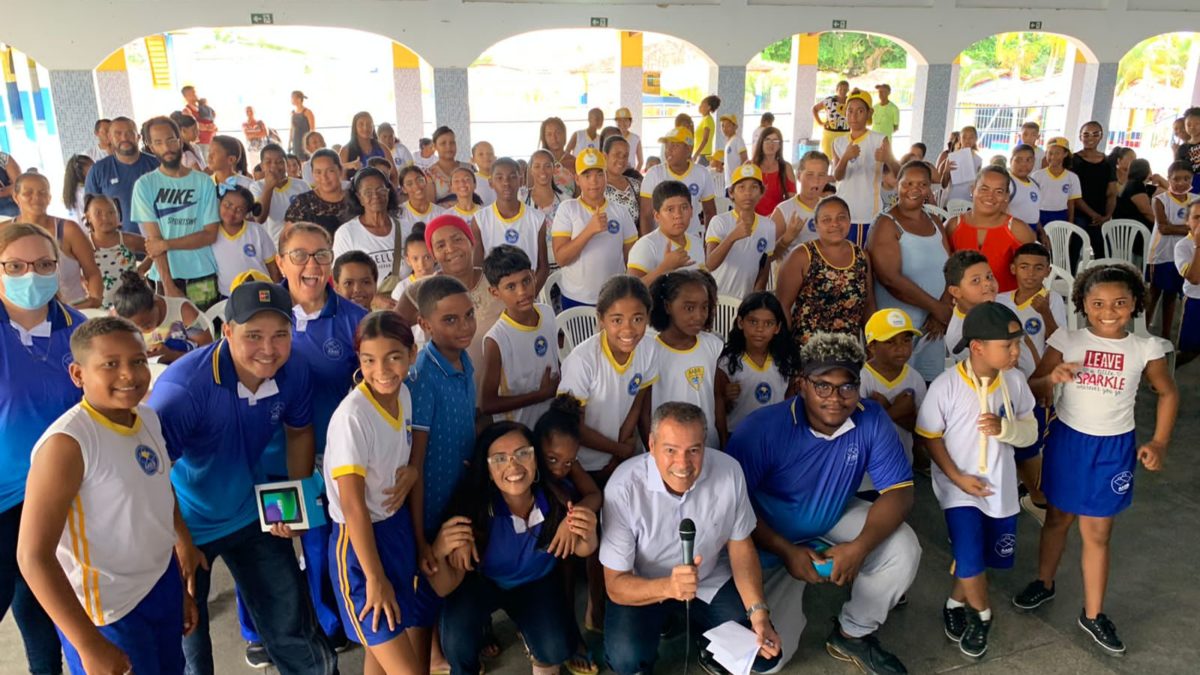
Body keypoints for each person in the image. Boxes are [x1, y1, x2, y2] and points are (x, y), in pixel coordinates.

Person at [147, 280, 337, 674]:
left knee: (291, 622)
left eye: (280, 335)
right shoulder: (183, 391)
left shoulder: (293, 370)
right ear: (227, 331)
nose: (268, 350)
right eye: (253, 336)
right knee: (189, 637)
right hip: (187, 522)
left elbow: (300, 431)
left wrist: (295, 502)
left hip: (251, 512)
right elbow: (150, 475)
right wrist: (179, 540)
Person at [725, 332, 918, 674]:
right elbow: (731, 508)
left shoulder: (871, 417)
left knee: (903, 546)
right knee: (765, 663)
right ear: (801, 384)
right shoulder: (762, 429)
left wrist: (859, 547)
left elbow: (899, 492)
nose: (836, 398)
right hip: (768, 540)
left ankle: (853, 632)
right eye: (823, 386)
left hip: (829, 518)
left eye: (847, 386)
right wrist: (786, 551)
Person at [18, 316, 199, 675]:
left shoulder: (146, 418)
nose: (128, 375)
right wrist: (87, 644)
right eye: (110, 364)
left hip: (159, 585)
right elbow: (32, 556)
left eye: (136, 360)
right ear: (78, 375)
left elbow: (159, 491)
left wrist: (182, 550)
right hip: (108, 611)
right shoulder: (67, 444)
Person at [1014, 264, 1178, 655]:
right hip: (1069, 443)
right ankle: (1044, 581)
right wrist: (1053, 378)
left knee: (1098, 533)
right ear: (1083, 304)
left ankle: (1092, 613)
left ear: (1136, 304)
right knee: (1057, 518)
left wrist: (1158, 442)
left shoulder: (1145, 348)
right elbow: (1031, 386)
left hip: (1113, 449)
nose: (1109, 311)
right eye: (1098, 303)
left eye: (1120, 303)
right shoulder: (1067, 340)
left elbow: (1168, 393)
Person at [601, 400, 781, 675]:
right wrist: (668, 588)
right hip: (646, 584)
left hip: (708, 579)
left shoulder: (729, 471)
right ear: (651, 445)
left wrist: (759, 613)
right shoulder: (623, 487)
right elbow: (615, 585)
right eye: (670, 450)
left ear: (704, 446)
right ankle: (667, 623)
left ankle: (705, 642)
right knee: (627, 659)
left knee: (760, 653)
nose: (683, 463)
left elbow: (741, 546)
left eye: (693, 450)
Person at [429, 420, 599, 675]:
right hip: (483, 583)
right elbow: (444, 586)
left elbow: (584, 549)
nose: (513, 465)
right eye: (499, 458)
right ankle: (476, 649)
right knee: (457, 645)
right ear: (486, 469)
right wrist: (439, 550)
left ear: (535, 459)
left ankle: (532, 637)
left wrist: (586, 527)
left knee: (556, 649)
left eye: (522, 453)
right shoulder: (472, 511)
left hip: (536, 583)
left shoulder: (557, 500)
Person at [917, 302, 1036, 658]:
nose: (1017, 352)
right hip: (959, 489)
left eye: (1018, 343)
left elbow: (1029, 433)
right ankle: (983, 617)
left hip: (999, 488)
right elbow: (929, 436)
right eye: (1008, 345)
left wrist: (1007, 429)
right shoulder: (947, 385)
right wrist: (956, 478)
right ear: (978, 347)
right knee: (968, 552)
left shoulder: (1013, 382)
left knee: (980, 557)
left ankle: (955, 604)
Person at [0, 223, 87, 675]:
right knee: (22, 600)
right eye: (15, 266)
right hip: (6, 502)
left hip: (67, 497)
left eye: (44, 264)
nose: (30, 275)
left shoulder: (80, 331)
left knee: (56, 607)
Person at [323, 311, 423, 673]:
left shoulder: (404, 395)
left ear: (411, 355)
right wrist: (375, 578)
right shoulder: (353, 417)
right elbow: (352, 507)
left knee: (378, 655)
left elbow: (399, 453)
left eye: (393, 357)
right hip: (359, 544)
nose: (381, 370)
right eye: (368, 360)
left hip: (392, 531)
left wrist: (411, 472)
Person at [404, 275, 479, 670]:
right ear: (426, 325)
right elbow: (414, 465)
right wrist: (419, 539)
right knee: (424, 594)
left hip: (456, 496)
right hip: (428, 507)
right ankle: (424, 656)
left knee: (444, 587)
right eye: (450, 320)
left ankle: (440, 647)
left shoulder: (464, 359)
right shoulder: (423, 380)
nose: (465, 326)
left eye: (469, 315)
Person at [557, 275, 656, 479]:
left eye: (637, 319)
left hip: (623, 454)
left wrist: (620, 453)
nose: (628, 329)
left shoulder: (649, 348)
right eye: (617, 320)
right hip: (584, 464)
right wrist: (618, 450)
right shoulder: (582, 361)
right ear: (601, 319)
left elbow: (637, 405)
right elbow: (573, 426)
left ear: (648, 317)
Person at [396, 215, 503, 396]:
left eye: (457, 239)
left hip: (503, 395)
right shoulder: (421, 291)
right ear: (434, 255)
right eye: (440, 245)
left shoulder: (497, 279)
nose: (451, 249)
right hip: (448, 397)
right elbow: (391, 334)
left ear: (471, 241)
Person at [995, 242, 1062, 520]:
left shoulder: (1052, 299)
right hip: (1003, 388)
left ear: (1047, 271)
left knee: (1029, 443)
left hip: (1033, 387)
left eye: (1038, 268)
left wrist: (1045, 312)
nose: (1031, 274)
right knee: (1004, 440)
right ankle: (1015, 493)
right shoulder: (1001, 300)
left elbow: (1058, 343)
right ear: (1013, 269)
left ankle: (1037, 497)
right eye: (1024, 267)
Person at [868, 161, 953, 381]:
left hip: (934, 326)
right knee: (896, 386)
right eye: (908, 183)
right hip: (898, 327)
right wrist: (936, 308)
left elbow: (950, 268)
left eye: (922, 184)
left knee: (927, 385)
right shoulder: (886, 224)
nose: (914, 189)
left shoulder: (934, 221)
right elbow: (890, 279)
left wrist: (942, 309)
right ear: (897, 184)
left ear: (929, 188)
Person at [131, 115, 222, 310]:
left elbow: (209, 234)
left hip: (201, 274)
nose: (167, 147)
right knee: (170, 335)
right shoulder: (144, 185)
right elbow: (153, 241)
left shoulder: (203, 181)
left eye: (171, 139)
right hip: (165, 277)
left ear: (180, 140)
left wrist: (166, 244)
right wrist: (169, 285)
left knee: (205, 331)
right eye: (158, 142)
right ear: (150, 146)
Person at [776, 196, 875, 346]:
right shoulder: (801, 255)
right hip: (808, 351)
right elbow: (783, 306)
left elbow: (868, 304)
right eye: (826, 219)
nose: (835, 224)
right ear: (816, 225)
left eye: (841, 218)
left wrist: (871, 345)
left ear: (849, 221)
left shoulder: (862, 256)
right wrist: (786, 349)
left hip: (849, 351)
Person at [480, 244, 560, 427]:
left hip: (550, 424)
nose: (522, 291)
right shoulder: (496, 339)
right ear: (495, 292)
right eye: (511, 286)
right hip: (519, 431)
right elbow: (487, 404)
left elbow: (554, 362)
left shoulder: (547, 313)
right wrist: (541, 395)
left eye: (526, 281)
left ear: (533, 275)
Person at [552, 149, 639, 309]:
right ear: (577, 179)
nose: (594, 181)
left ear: (606, 176)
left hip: (614, 297)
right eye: (587, 175)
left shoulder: (620, 211)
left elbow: (632, 260)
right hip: (576, 299)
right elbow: (561, 259)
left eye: (599, 174)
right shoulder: (568, 209)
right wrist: (589, 231)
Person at [647, 270, 722, 448]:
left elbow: (717, 397)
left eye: (704, 307)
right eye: (689, 308)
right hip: (667, 447)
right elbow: (643, 411)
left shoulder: (712, 345)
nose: (699, 316)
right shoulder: (650, 351)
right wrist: (652, 449)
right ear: (667, 306)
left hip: (707, 444)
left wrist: (724, 440)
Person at [714, 292, 796, 446]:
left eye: (768, 323)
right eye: (753, 322)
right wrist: (726, 397)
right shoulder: (726, 363)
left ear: (777, 328)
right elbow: (718, 407)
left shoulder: (786, 362)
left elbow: (790, 403)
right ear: (740, 323)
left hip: (775, 438)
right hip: (739, 438)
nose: (760, 329)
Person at [13, 172, 104, 308]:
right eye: (28, 193)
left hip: (69, 312)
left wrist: (94, 300)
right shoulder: (4, 232)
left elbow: (92, 272)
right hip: (20, 317)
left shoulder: (68, 230)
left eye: (43, 193)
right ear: (16, 197)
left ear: (49, 198)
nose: (36, 198)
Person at [945, 165, 1038, 293]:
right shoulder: (953, 225)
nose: (990, 196)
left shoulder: (1018, 229)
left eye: (999, 191)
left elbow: (1035, 274)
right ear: (972, 189)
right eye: (984, 189)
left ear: (1006, 196)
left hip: (1004, 306)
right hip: (962, 306)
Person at [833, 90, 899, 247]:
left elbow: (899, 172)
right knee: (843, 258)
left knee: (864, 259)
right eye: (850, 111)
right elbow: (837, 176)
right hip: (843, 210)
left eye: (860, 111)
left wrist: (888, 159)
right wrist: (845, 158)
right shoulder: (838, 142)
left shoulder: (879, 139)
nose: (854, 116)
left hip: (867, 212)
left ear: (868, 113)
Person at [472, 159, 548, 286]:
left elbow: (543, 267)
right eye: (499, 178)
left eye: (512, 177)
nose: (506, 183)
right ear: (491, 182)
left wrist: (528, 294)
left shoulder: (537, 218)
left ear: (521, 180)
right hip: (494, 296)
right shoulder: (480, 219)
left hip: (528, 293)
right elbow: (478, 268)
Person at [705, 163, 776, 297]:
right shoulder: (719, 222)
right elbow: (710, 264)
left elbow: (764, 267)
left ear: (761, 193)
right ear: (731, 193)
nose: (748, 193)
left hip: (746, 300)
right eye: (741, 187)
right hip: (718, 298)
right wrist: (733, 237)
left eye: (754, 187)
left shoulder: (768, 226)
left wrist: (755, 299)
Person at [84, 117, 161, 233]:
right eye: (118, 134)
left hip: (160, 239)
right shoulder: (98, 171)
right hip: (119, 245)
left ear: (138, 137)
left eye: (129, 133)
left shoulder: (158, 165)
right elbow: (91, 212)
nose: (124, 138)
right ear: (109, 138)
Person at [1147, 162, 1197, 341]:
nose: (1182, 183)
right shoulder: (1160, 200)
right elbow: (1164, 228)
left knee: (1171, 295)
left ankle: (1166, 335)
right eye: (1176, 179)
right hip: (1161, 254)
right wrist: (1190, 228)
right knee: (1154, 292)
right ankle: (1143, 331)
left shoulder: (1195, 200)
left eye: (1186, 179)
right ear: (1168, 179)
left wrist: (1189, 228)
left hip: (1184, 254)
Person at [639, 127, 717, 238]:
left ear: (689, 149)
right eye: (667, 145)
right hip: (661, 242)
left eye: (675, 145)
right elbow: (646, 215)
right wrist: (647, 245)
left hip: (691, 240)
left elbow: (710, 212)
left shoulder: (702, 173)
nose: (668, 150)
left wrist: (708, 242)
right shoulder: (653, 174)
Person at [629, 181, 705, 286]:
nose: (678, 215)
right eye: (670, 209)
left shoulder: (696, 242)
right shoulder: (646, 245)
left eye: (684, 208)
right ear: (657, 216)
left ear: (692, 211)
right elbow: (631, 291)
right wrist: (664, 268)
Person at [334, 167, 403, 281]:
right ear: (359, 197)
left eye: (380, 189)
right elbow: (339, 280)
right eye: (368, 192)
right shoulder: (347, 233)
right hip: (365, 298)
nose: (375, 196)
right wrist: (373, 298)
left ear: (388, 192)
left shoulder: (405, 227)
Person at [212, 184, 279, 297]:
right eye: (227, 205)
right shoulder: (211, 232)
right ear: (220, 202)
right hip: (228, 295)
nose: (232, 212)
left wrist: (278, 292)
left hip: (262, 292)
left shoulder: (256, 231)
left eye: (239, 209)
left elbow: (273, 267)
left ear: (247, 213)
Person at [84, 194, 145, 307]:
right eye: (98, 213)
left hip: (134, 306)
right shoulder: (83, 244)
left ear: (118, 215)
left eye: (111, 212)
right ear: (88, 217)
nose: (105, 217)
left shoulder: (128, 240)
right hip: (100, 309)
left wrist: (141, 269)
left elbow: (155, 249)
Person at [772, 150, 831, 264]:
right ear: (799, 176)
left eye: (821, 175)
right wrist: (787, 238)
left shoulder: (831, 209)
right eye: (810, 175)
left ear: (827, 179)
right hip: (791, 276)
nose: (816, 180)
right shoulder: (783, 210)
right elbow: (768, 255)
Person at [942, 250, 999, 365]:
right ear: (956, 291)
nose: (987, 283)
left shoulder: (997, 302)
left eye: (989, 276)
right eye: (976, 280)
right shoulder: (958, 337)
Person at [1071, 121, 1118, 256]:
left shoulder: (1108, 161)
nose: (1090, 138)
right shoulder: (1074, 160)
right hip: (1079, 215)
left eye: (1095, 134)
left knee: (1103, 254)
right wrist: (1092, 214)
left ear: (1101, 136)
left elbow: (1111, 192)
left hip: (1101, 216)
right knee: (1073, 253)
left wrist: (1107, 215)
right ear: (1080, 137)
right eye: (1086, 134)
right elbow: (1074, 195)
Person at [285, 149, 354, 236]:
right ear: (312, 174)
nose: (324, 177)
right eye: (318, 172)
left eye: (330, 171)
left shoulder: (355, 199)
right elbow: (287, 237)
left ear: (340, 170)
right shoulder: (302, 203)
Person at [253, 142, 312, 242]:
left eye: (280, 162)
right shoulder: (257, 187)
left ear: (286, 164)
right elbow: (259, 218)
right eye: (268, 162)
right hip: (271, 246)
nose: (274, 166)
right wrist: (269, 187)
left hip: (299, 242)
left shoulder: (302, 185)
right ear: (262, 166)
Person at [1030, 137, 1081, 231]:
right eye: (1050, 153)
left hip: (1060, 215)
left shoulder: (1072, 177)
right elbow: (1032, 201)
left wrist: (1070, 225)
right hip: (1039, 215)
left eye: (1057, 153)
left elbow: (1071, 203)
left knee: (1057, 244)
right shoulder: (1037, 176)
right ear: (1046, 154)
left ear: (1065, 154)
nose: (1053, 157)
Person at [388, 225, 438, 314]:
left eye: (427, 257)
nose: (421, 264)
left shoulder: (445, 281)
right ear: (408, 260)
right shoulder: (401, 288)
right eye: (415, 258)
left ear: (434, 256)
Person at [1175, 201, 1200, 369]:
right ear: (1187, 221)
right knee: (1188, 350)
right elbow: (1194, 278)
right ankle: (1166, 372)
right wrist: (1199, 245)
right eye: (1197, 217)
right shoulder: (1183, 246)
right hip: (1195, 301)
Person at [751, 126, 797, 219]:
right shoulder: (750, 166)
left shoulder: (786, 167)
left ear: (780, 145)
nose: (771, 144)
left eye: (775, 141)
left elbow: (792, 199)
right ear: (761, 143)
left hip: (777, 220)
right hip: (752, 220)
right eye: (767, 140)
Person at [398, 166, 448, 242]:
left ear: (426, 181)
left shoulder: (442, 213)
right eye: (409, 184)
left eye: (420, 180)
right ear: (404, 189)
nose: (416, 186)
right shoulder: (399, 214)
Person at [602, 135, 642, 227]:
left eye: (625, 156)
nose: (621, 159)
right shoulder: (595, 185)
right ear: (605, 156)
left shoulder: (635, 185)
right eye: (617, 154)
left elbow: (643, 219)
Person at [1007, 144, 1044, 241]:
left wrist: (1042, 232)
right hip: (1012, 234)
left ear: (1034, 162)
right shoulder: (1007, 183)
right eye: (1019, 160)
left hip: (1032, 232)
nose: (1024, 164)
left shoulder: (1034, 184)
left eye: (1028, 160)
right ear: (1011, 161)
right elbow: (999, 214)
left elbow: (1034, 211)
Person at [426, 127, 469, 206]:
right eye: (443, 143)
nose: (448, 147)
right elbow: (431, 207)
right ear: (435, 147)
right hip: (443, 217)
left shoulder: (469, 169)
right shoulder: (429, 174)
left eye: (452, 143)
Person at [814, 80, 851, 159]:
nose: (842, 91)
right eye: (840, 89)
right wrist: (820, 123)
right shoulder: (829, 100)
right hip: (829, 134)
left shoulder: (850, 101)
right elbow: (814, 109)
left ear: (848, 90)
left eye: (845, 89)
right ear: (837, 89)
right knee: (828, 159)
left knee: (843, 159)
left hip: (845, 134)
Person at [62, 154, 94, 223]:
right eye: (92, 169)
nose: (96, 171)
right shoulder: (85, 191)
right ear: (81, 173)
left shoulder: (70, 192)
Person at [1175, 107, 1200, 193]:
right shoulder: (1182, 148)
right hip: (1191, 184)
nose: (1192, 127)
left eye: (1197, 124)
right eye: (1189, 125)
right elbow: (1178, 167)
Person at [692, 95, 720, 165]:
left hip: (703, 155)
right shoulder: (705, 119)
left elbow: (705, 139)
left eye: (702, 104)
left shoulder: (707, 120)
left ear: (708, 107)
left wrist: (696, 154)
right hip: (701, 154)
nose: (699, 106)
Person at [613, 108, 643, 172]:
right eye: (619, 120)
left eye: (625, 120)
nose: (622, 123)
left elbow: (640, 161)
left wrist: (635, 175)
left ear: (630, 122)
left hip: (630, 173)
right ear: (616, 122)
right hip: (614, 173)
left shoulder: (636, 138)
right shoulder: (611, 138)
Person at [290, 91, 316, 159]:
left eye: (292, 98)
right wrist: (289, 143)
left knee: (305, 160)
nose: (291, 100)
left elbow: (312, 129)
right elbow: (292, 129)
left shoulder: (308, 112)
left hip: (305, 141)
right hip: (296, 142)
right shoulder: (293, 113)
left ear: (299, 99)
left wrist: (310, 143)